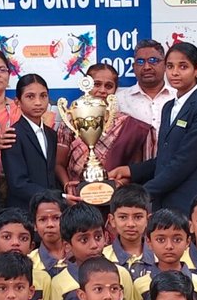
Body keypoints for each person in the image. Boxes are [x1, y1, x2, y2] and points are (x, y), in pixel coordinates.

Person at [113, 42, 197, 214]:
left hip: (191, 202)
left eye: (183, 67)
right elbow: (166, 156)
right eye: (170, 66)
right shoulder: (169, 107)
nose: (175, 72)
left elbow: (185, 160)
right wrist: (130, 171)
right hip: (166, 200)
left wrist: (143, 193)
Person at [61, 63, 155, 200]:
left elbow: (136, 169)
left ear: (115, 91)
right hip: (76, 196)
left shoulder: (128, 125)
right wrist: (67, 186)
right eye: (97, 84)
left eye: (108, 86)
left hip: (116, 198)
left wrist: (119, 184)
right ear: (86, 85)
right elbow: (59, 163)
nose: (102, 90)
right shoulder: (71, 118)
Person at [3, 73, 61, 208]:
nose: (38, 102)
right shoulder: (13, 135)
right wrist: (56, 197)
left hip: (50, 210)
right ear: (17, 102)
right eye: (30, 96)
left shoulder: (51, 134)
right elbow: (18, 184)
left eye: (43, 96)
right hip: (23, 210)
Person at [116, 39, 178, 131]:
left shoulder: (178, 96)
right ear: (134, 67)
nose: (146, 67)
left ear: (165, 65)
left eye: (153, 60)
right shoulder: (119, 99)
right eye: (140, 62)